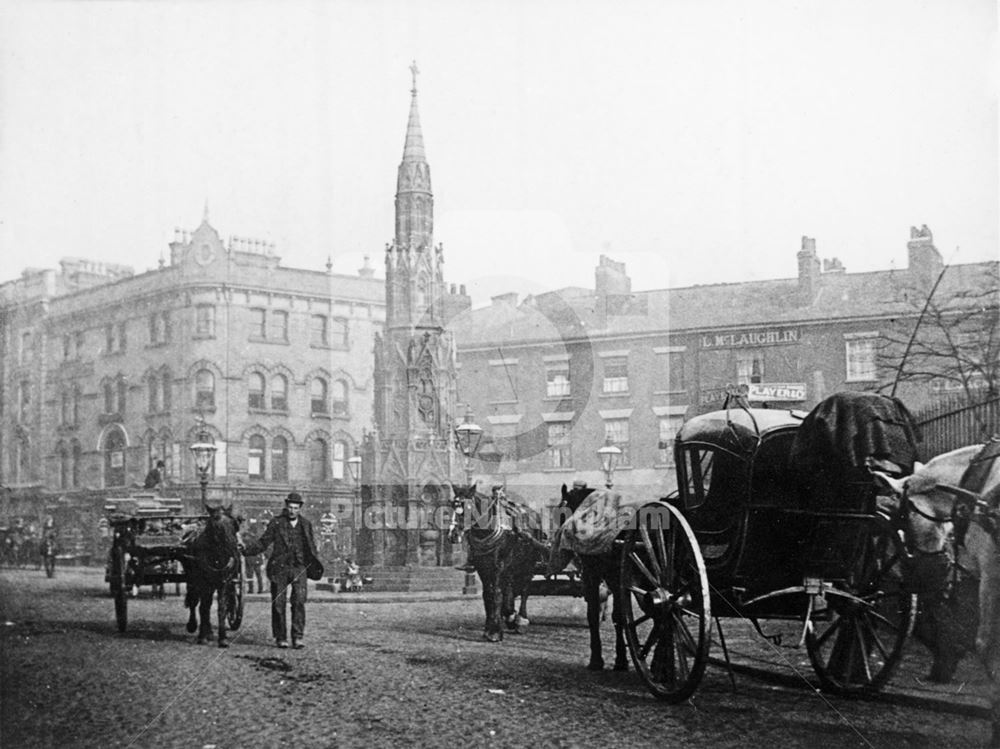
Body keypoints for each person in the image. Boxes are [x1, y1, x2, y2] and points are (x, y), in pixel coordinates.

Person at [239, 492, 323, 649]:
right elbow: (263, 542)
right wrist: (246, 550)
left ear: (300, 509)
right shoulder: (276, 523)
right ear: (286, 506)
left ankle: (298, 637)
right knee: (279, 603)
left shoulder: (306, 524)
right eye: (290, 507)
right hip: (279, 569)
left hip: (299, 567)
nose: (292, 511)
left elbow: (311, 546)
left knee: (299, 602)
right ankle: (281, 637)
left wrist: (313, 564)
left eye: (295, 508)